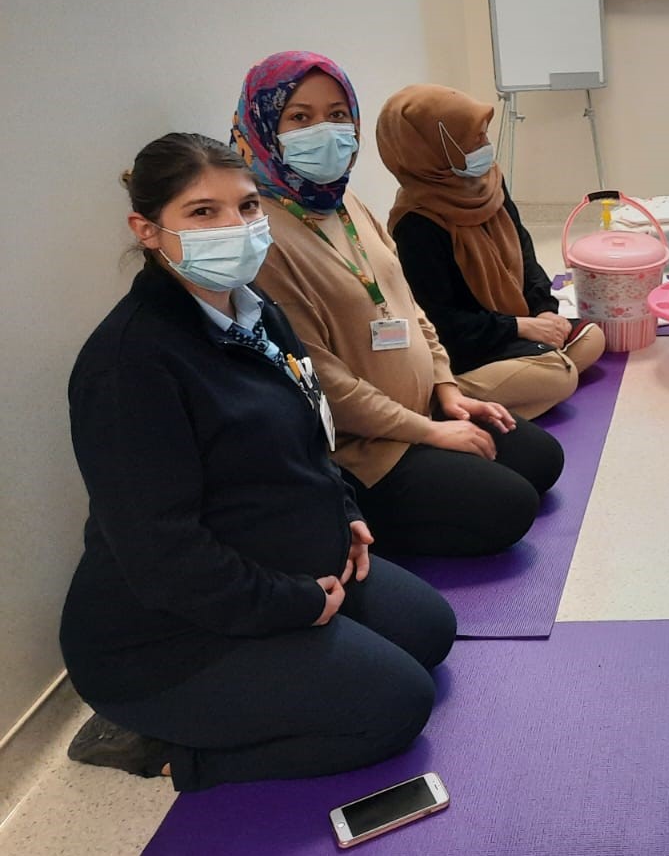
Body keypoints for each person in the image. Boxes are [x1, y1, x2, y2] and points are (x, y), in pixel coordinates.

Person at [60, 133, 455, 791]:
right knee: (396, 709)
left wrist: (344, 514)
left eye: (246, 207)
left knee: (430, 630)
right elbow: (162, 554)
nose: (236, 227)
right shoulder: (129, 365)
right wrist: (295, 603)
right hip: (163, 636)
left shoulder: (256, 311)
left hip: (275, 562)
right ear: (147, 231)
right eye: (203, 212)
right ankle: (159, 748)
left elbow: (309, 429)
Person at [233, 51, 563, 558]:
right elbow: (323, 382)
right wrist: (430, 433)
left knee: (542, 459)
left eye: (337, 114)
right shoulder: (264, 237)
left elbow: (409, 306)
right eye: (300, 117)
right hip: (365, 446)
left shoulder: (343, 203)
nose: (326, 131)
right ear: (262, 128)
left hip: (425, 404)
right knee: (511, 507)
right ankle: (352, 520)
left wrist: (448, 391)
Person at [374, 83, 605, 419]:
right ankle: (448, 398)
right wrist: (519, 327)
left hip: (511, 325)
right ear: (432, 148)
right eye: (474, 138)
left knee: (593, 338)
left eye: (484, 133)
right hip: (468, 347)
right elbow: (443, 324)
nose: (485, 145)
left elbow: (524, 251)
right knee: (560, 377)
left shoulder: (489, 182)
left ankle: (508, 393)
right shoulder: (416, 223)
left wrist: (542, 311)